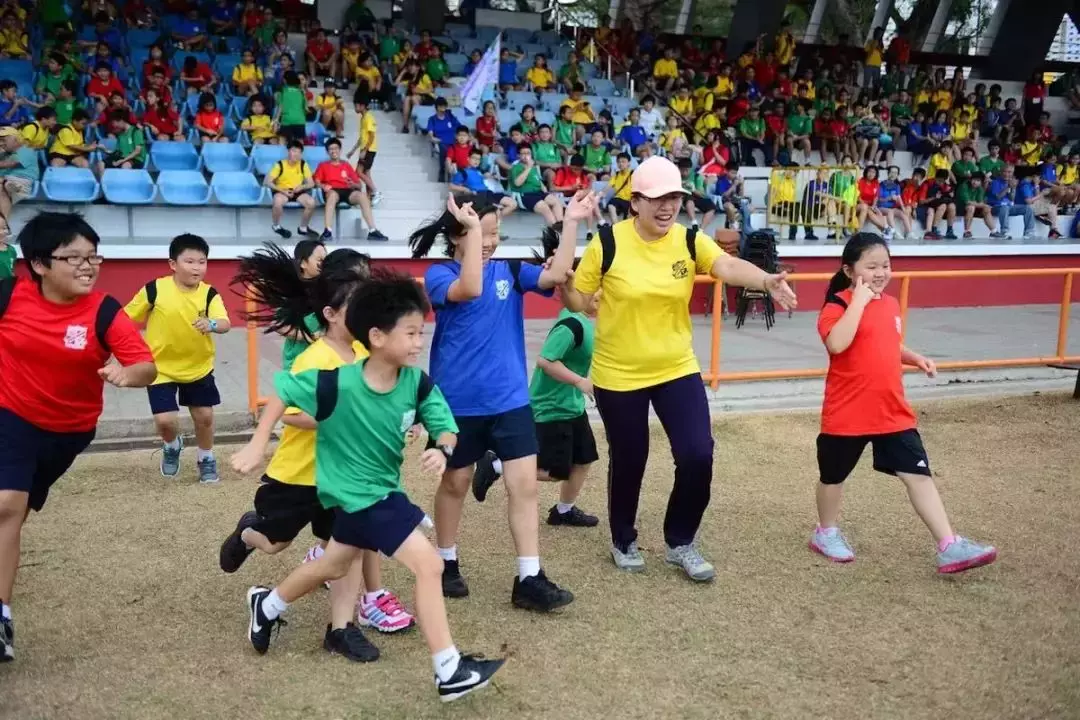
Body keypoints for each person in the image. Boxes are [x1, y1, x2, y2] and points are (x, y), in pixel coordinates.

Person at [229, 267, 506, 702]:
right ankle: (448, 668)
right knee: (430, 565)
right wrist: (258, 444)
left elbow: (445, 427)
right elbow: (282, 391)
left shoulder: (416, 384)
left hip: (381, 491)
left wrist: (443, 449)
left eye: (421, 333)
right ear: (377, 336)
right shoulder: (337, 383)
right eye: (411, 333)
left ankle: (266, 606)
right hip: (359, 497)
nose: (419, 343)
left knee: (334, 565)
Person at [561, 157, 797, 580]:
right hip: (619, 373)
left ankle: (681, 540)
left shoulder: (690, 240)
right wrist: (566, 284)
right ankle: (623, 538)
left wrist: (765, 280)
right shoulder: (608, 243)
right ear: (635, 202)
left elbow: (726, 266)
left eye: (674, 197)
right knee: (630, 457)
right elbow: (578, 301)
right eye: (656, 198)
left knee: (697, 453)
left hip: (675, 367)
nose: (667, 206)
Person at [224, 246, 415, 642]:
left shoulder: (366, 352)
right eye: (355, 307)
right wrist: (331, 421)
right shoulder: (314, 359)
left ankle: (341, 629)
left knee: (346, 549)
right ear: (329, 314)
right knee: (275, 543)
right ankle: (247, 533)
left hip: (343, 477)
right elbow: (287, 411)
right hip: (299, 473)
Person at [0, 213, 157, 663]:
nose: (87, 266)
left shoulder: (105, 311)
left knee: (16, 512)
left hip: (69, 432)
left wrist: (129, 374)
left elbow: (146, 365)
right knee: (7, 503)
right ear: (40, 264)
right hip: (10, 416)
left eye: (93, 257)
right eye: (74, 257)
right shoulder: (9, 297)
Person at [409, 194, 577, 611]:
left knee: (523, 487)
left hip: (511, 401)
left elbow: (557, 273)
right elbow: (470, 287)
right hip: (457, 406)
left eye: (494, 233)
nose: (489, 241)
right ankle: (446, 561)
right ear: (456, 236)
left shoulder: (512, 271)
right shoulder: (438, 275)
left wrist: (571, 221)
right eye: (480, 233)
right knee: (456, 483)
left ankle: (529, 578)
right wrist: (470, 234)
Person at [811, 233, 998, 573]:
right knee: (832, 477)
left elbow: (886, 344)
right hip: (847, 413)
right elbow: (838, 343)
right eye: (871, 266)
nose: (881, 273)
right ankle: (826, 532)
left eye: (886, 265)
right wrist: (858, 302)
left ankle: (949, 545)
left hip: (891, 412)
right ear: (850, 271)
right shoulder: (837, 305)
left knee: (918, 474)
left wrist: (915, 358)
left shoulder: (891, 304)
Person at [471, 224, 600, 529]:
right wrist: (581, 383)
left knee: (584, 459)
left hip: (572, 405)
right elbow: (545, 361)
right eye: (596, 287)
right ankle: (498, 463)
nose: (602, 292)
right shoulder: (572, 324)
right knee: (556, 470)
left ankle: (564, 511)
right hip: (551, 405)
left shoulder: (593, 320)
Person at [123, 234, 231, 483]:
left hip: (198, 367)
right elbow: (125, 319)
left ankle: (206, 458)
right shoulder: (155, 289)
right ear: (173, 264)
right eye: (190, 261)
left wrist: (211, 323)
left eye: (202, 262)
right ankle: (172, 446)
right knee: (164, 421)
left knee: (204, 417)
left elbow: (225, 323)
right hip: (160, 368)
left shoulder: (209, 294)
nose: (197, 268)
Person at [315, 138, 387, 241]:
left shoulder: (346, 165)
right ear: (327, 152)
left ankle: (372, 231)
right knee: (332, 195)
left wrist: (353, 184)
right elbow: (317, 181)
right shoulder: (323, 165)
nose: (333, 151)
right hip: (332, 190)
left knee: (362, 196)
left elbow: (359, 185)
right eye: (331, 149)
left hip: (348, 190)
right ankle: (328, 231)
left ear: (340, 150)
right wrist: (323, 186)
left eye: (336, 148)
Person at [267, 140, 318, 239]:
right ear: (288, 151)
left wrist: (302, 187)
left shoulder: (303, 164)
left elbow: (311, 183)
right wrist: (283, 191)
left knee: (311, 202)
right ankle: (276, 226)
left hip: (298, 191)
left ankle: (303, 228)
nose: (296, 154)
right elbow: (268, 182)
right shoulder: (280, 164)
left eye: (299, 152)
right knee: (277, 202)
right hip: (282, 190)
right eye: (294, 151)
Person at [0, 126, 37, 218]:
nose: (1, 143)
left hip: (22, 180)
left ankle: (11, 186)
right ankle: (8, 185)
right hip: (5, 180)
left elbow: (12, 163)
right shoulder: (4, 154)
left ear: (16, 139)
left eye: (4, 140)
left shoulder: (26, 150)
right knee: (3, 190)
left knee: (3, 191)